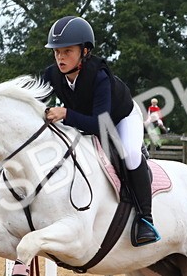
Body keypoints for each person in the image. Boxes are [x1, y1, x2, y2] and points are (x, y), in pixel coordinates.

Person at [41, 14, 159, 246]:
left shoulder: (99, 75)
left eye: (67, 51)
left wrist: (65, 114)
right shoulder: (51, 75)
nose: (60, 57)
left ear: (85, 51)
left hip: (121, 117)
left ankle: (146, 219)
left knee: (130, 155)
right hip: (86, 118)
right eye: (57, 52)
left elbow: (99, 126)